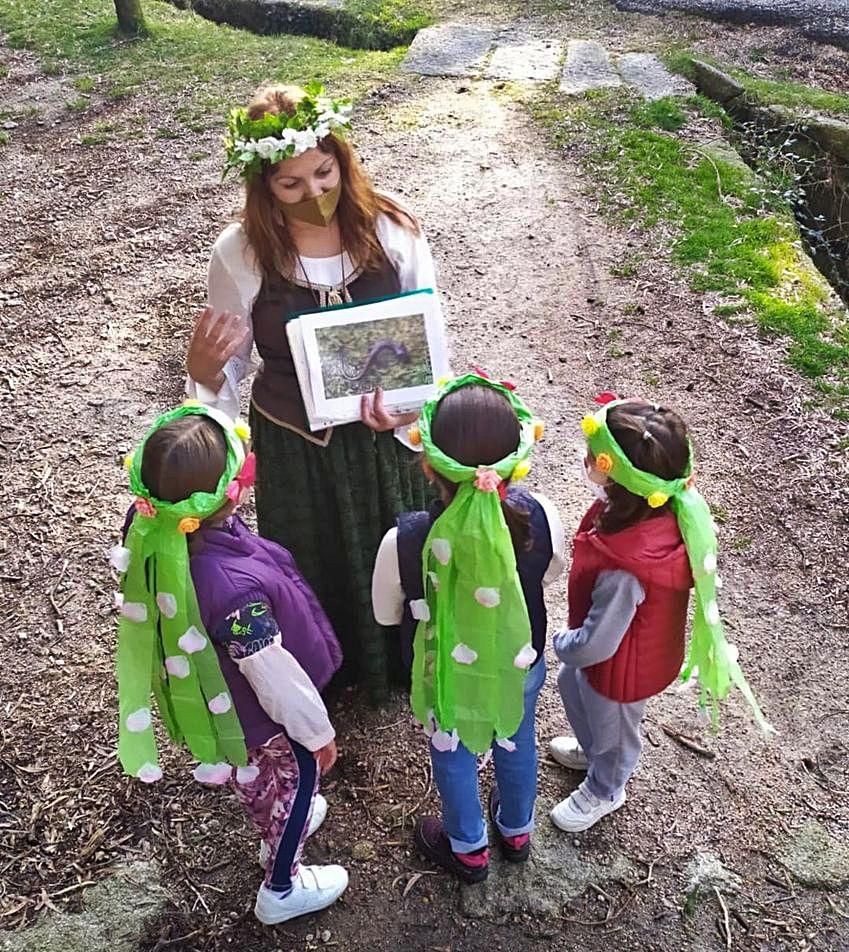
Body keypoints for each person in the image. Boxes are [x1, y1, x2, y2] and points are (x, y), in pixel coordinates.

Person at [186, 81, 442, 699]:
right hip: (296, 442)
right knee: (313, 557)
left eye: (323, 174)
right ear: (263, 185)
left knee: (397, 552)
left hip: (387, 441)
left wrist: (410, 411)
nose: (314, 193)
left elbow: (428, 345)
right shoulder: (242, 252)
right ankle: (327, 673)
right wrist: (203, 393)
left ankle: (405, 668)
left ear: (341, 159)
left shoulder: (391, 230)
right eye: (291, 184)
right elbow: (223, 365)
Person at [113, 402, 348, 925]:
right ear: (234, 491)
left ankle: (279, 814)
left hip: (221, 702)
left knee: (255, 775)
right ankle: (281, 884)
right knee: (295, 778)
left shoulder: (156, 533)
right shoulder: (232, 592)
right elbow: (273, 676)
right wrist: (315, 731)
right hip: (263, 716)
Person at [371, 374, 565, 882]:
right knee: (517, 737)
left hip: (443, 673)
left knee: (451, 750)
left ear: (428, 462)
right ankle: (517, 829)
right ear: (515, 461)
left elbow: (386, 615)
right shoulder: (542, 515)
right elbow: (551, 573)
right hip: (519, 662)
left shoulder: (405, 539)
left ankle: (468, 847)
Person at [549, 395, 772, 834]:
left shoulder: (626, 567)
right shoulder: (650, 509)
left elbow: (596, 644)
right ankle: (593, 751)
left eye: (593, 457)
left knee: (612, 728)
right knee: (573, 687)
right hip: (615, 658)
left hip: (621, 670)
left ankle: (606, 787)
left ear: (617, 478)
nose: (585, 460)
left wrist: (564, 643)